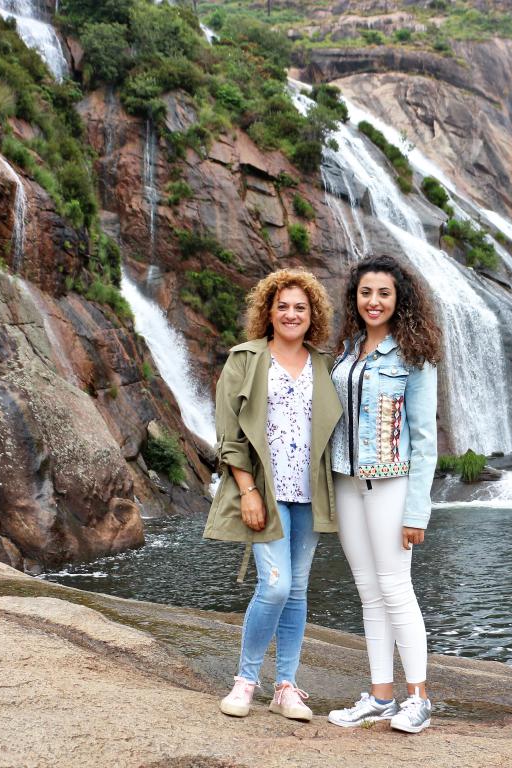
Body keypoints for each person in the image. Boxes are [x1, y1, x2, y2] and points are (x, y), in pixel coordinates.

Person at [204, 268, 342, 722]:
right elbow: (229, 436)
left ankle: (286, 687)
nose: (291, 314)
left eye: (300, 307)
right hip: (265, 491)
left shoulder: (324, 365)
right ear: (268, 311)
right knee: (276, 585)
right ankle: (245, 681)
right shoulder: (245, 359)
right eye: (282, 306)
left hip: (310, 493)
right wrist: (247, 490)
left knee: (297, 589)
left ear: (313, 314)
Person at [326, 255, 443, 734]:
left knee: (396, 588)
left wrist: (417, 511)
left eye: (383, 293)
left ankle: (419, 699)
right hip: (347, 483)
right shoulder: (348, 351)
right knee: (369, 593)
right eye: (365, 293)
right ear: (355, 298)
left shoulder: (414, 356)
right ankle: (380, 698)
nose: (373, 301)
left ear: (400, 299)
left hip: (391, 484)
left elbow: (426, 440)